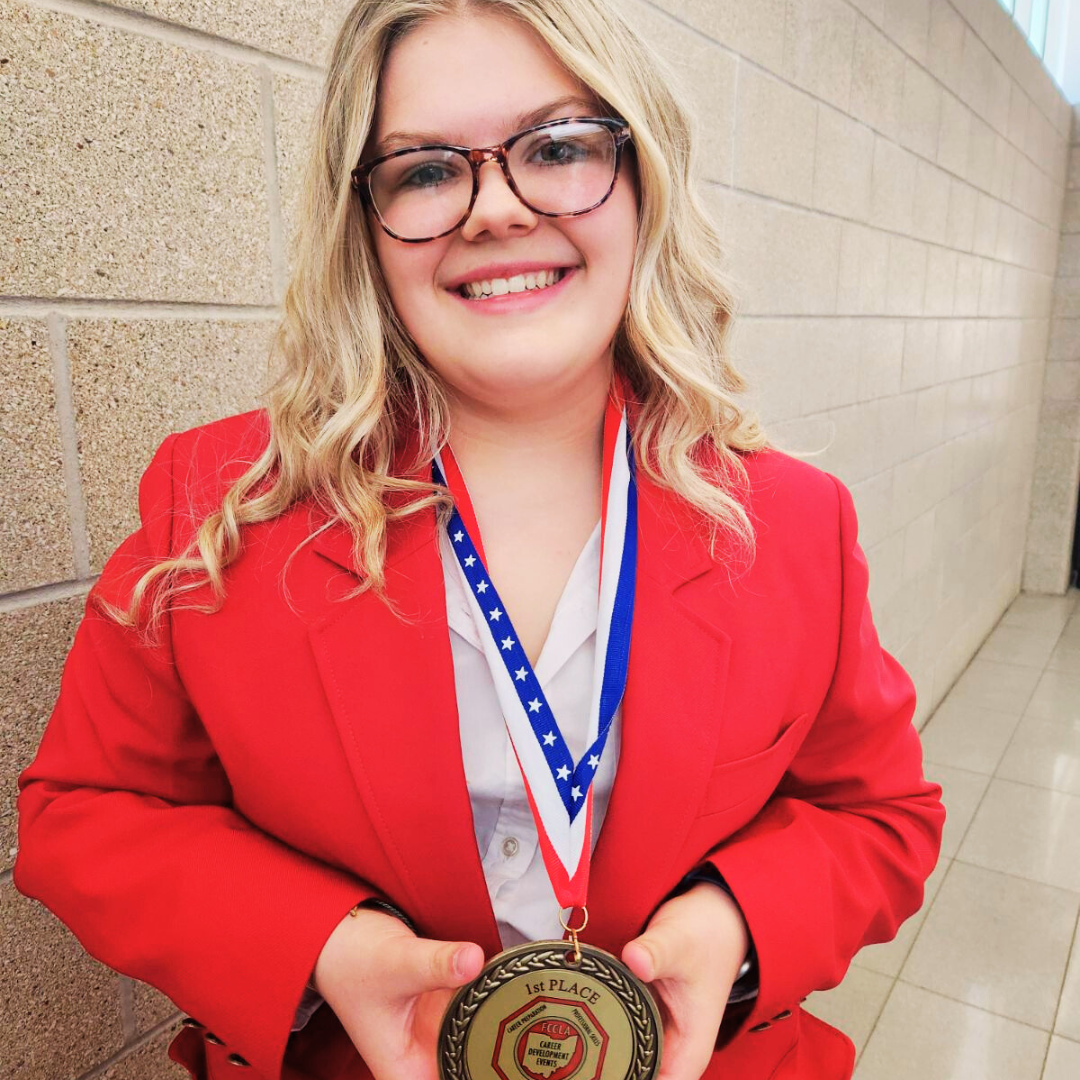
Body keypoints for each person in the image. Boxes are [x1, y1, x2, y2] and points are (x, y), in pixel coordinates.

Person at [13, 1, 945, 1079]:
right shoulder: (222, 503)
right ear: (361, 224)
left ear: (642, 182)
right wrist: (319, 948)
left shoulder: (792, 521)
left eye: (558, 149)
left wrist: (738, 926)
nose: (496, 209)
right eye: (424, 172)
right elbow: (85, 816)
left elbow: (879, 816)